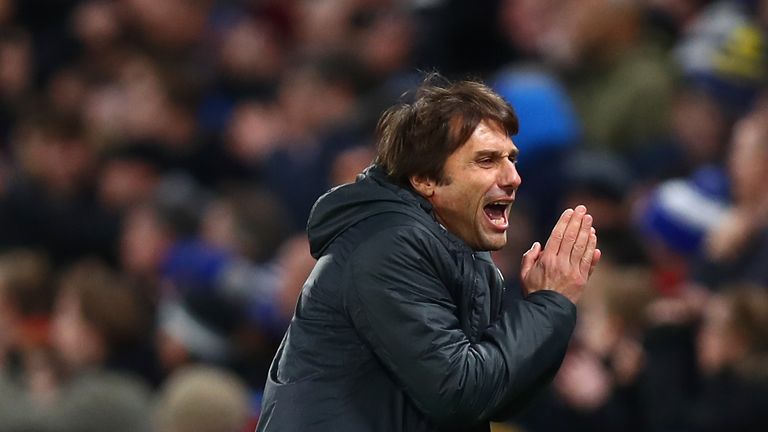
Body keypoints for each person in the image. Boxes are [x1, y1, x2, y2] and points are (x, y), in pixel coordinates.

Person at [256, 74, 601, 431]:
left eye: (511, 159)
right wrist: (549, 304)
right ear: (425, 179)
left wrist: (543, 311)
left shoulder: (461, 251)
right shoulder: (389, 246)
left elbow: (496, 398)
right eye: (486, 160)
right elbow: (460, 394)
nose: (513, 176)